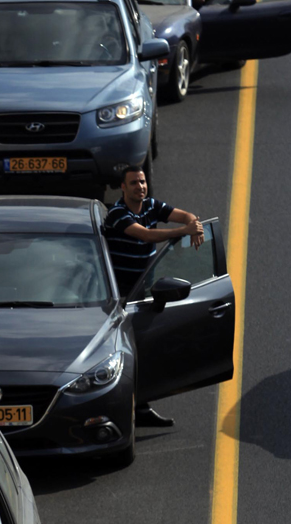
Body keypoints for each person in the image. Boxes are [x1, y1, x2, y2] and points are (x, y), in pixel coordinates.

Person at [103, 165, 204, 428]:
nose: (141, 187)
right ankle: (121, 407)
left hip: (143, 294)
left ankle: (141, 405)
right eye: (134, 183)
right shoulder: (117, 214)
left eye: (143, 181)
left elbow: (185, 215)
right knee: (122, 354)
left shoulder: (151, 205)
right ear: (123, 188)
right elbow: (146, 235)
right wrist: (183, 231)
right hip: (118, 298)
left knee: (144, 350)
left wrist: (195, 225)